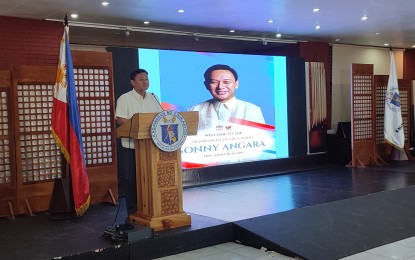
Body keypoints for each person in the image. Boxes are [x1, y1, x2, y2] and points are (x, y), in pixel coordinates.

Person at [115, 68, 163, 221]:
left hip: (150, 147)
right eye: (141, 79)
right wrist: (139, 125)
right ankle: (132, 211)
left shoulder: (153, 97)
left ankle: (149, 208)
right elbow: (120, 120)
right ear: (132, 82)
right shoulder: (125, 98)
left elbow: (160, 118)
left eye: (147, 79)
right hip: (132, 146)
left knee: (149, 177)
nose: (145, 82)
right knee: (132, 179)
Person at [188, 64, 265, 130]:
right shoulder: (194, 110)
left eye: (226, 82)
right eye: (214, 82)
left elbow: (261, 140)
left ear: (236, 84)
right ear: (206, 85)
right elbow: (187, 142)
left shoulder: (251, 110)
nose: (220, 87)